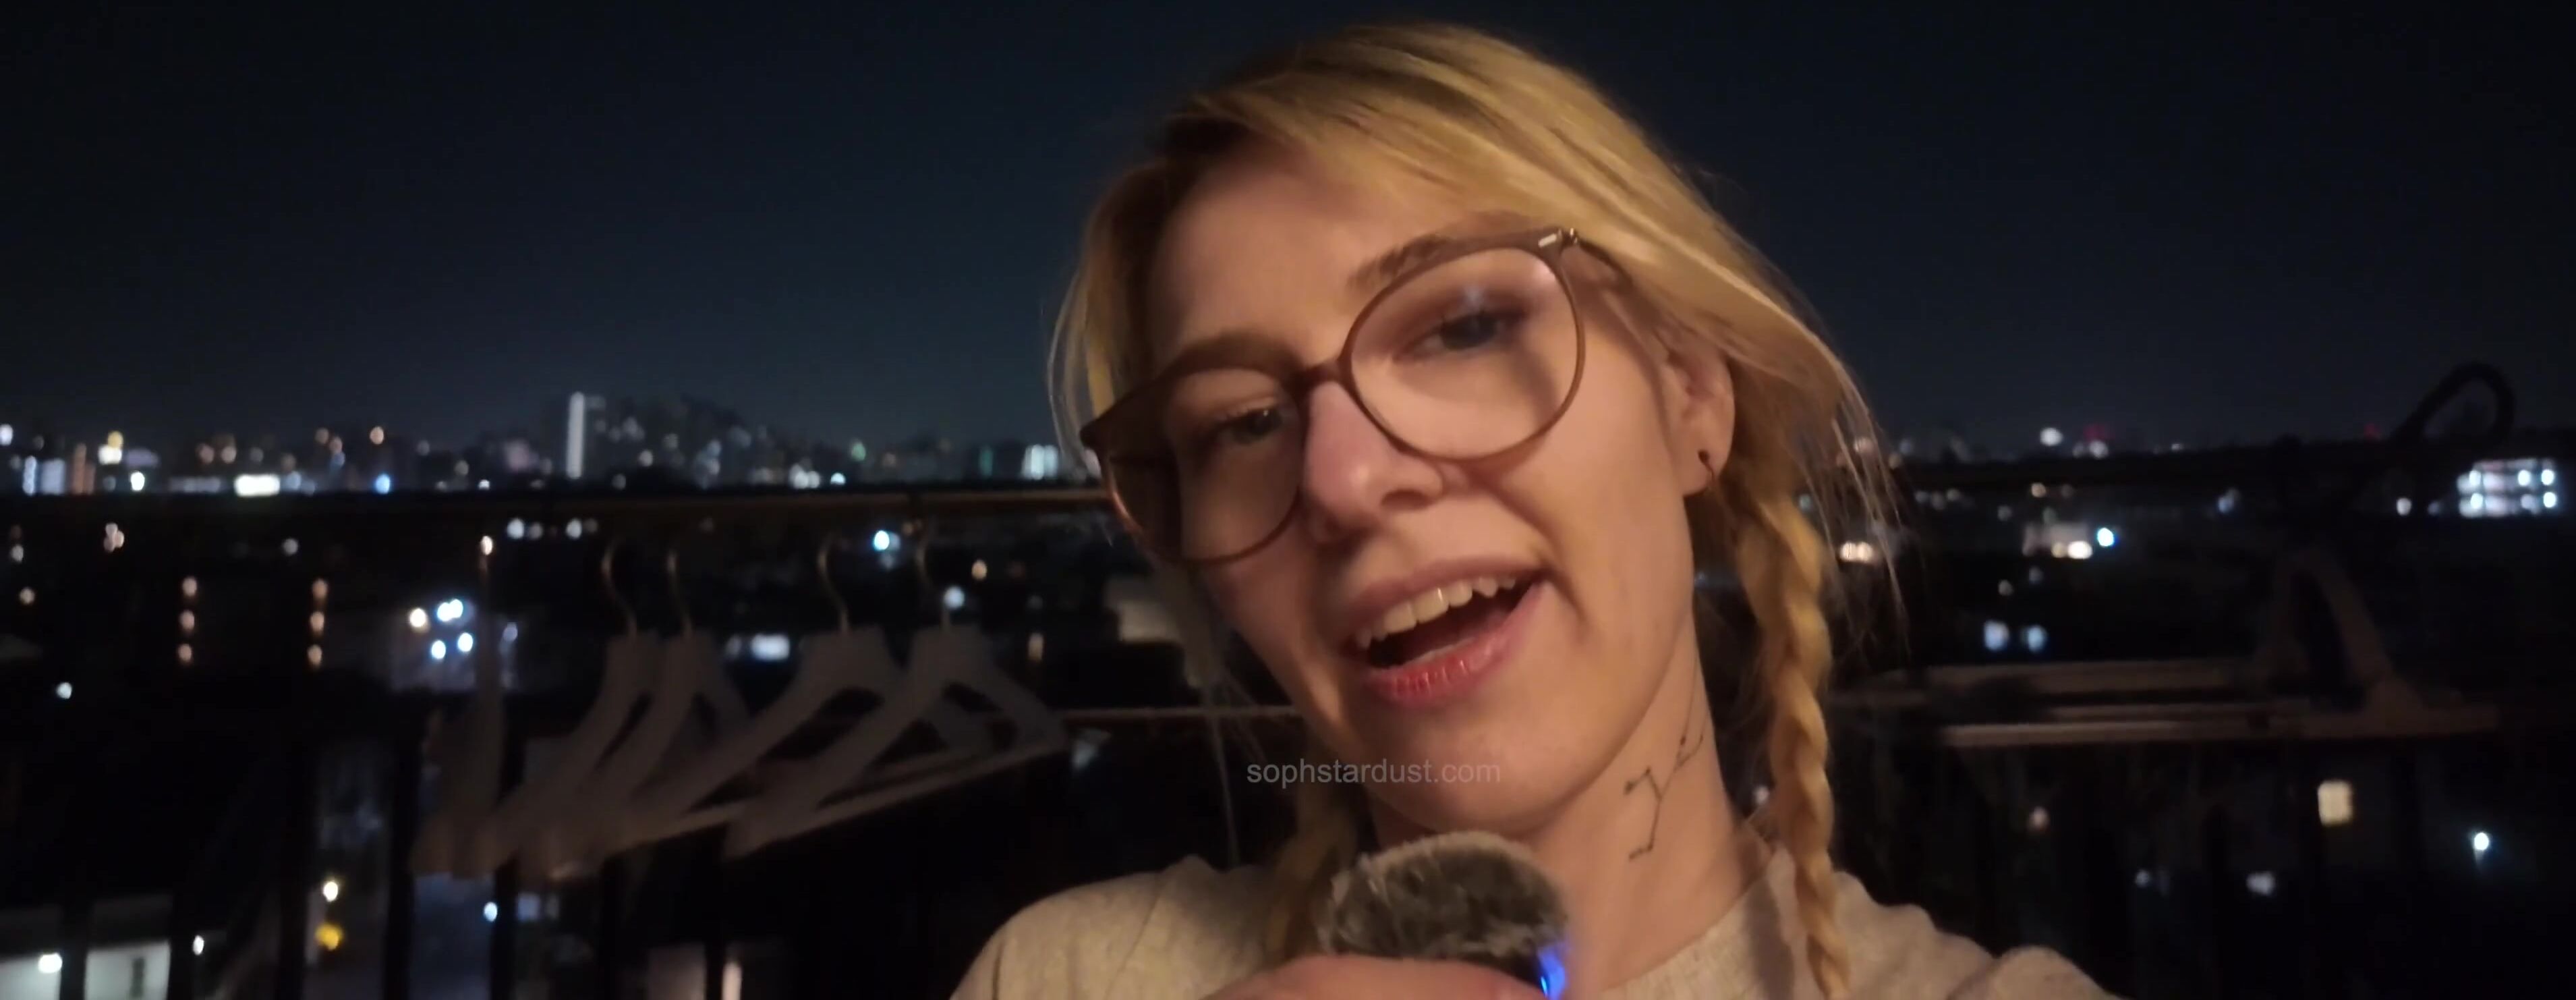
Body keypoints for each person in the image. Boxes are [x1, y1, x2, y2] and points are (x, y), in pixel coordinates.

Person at [956, 22, 2109, 1000]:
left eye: (1464, 327)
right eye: (1242, 424)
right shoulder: (1066, 978)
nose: (1342, 480)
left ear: (1689, 391)